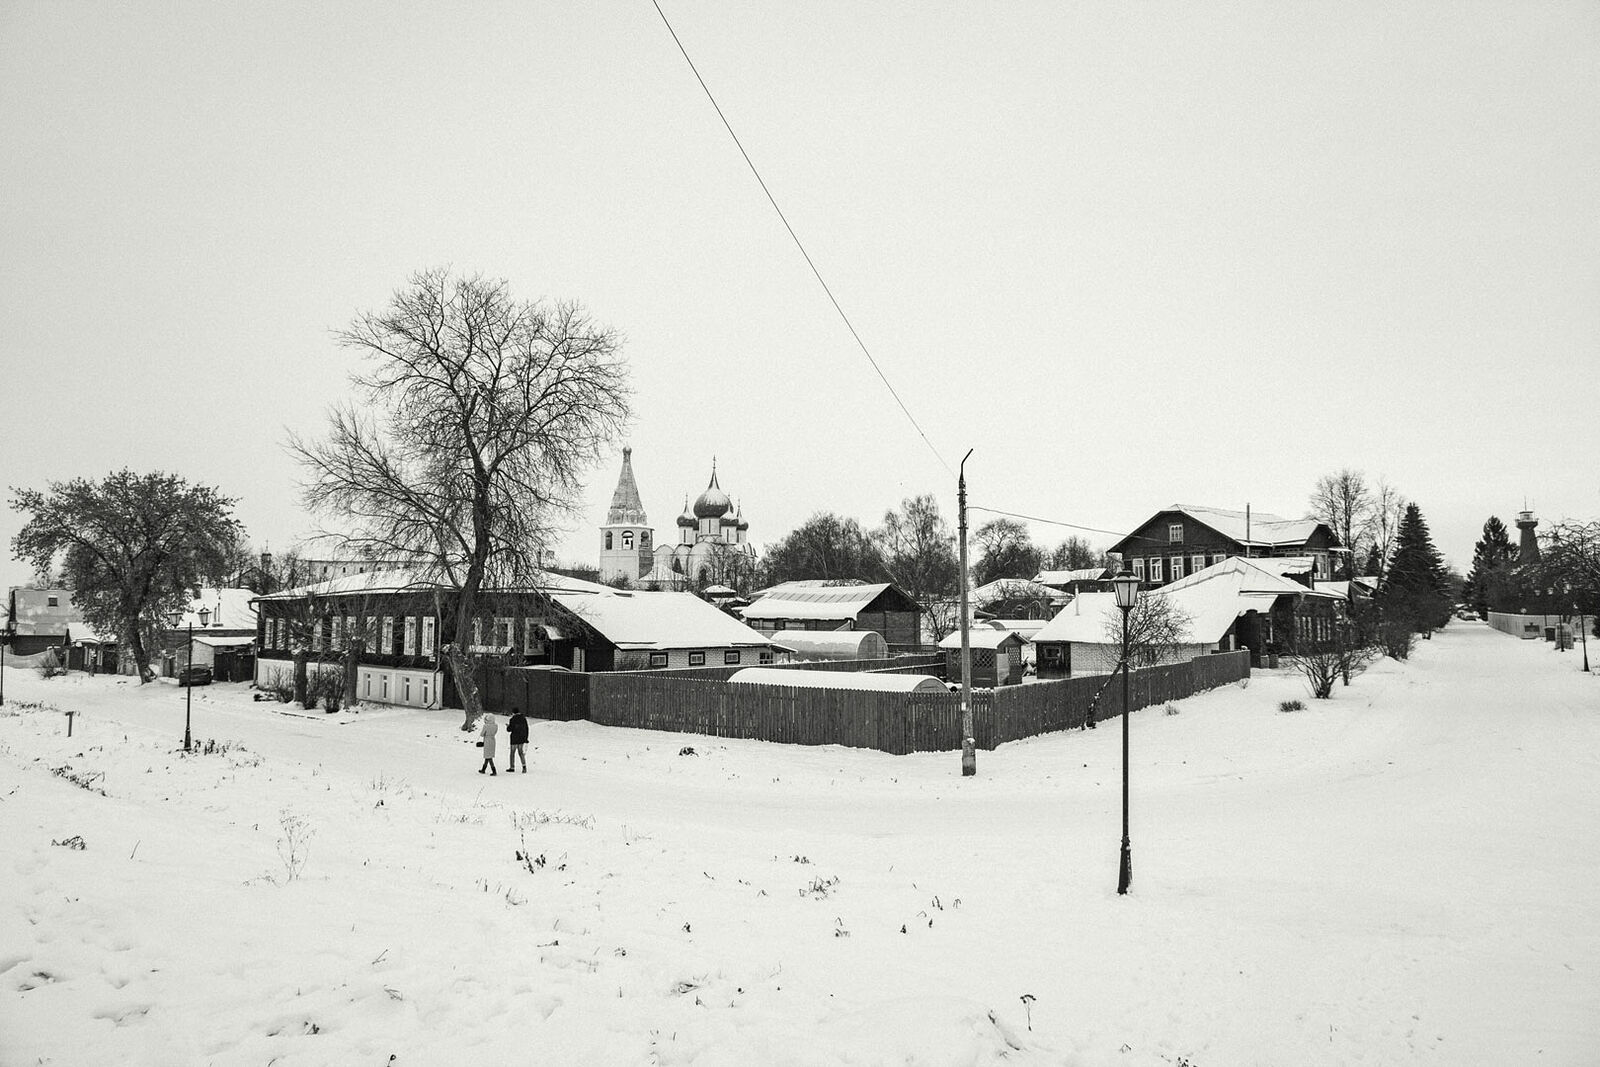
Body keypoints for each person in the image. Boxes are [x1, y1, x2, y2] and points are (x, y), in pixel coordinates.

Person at [506, 708, 529, 773]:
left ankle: (512, 767)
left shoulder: (512, 719)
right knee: (521, 753)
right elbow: (526, 728)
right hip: (521, 738)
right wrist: (526, 738)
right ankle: (524, 767)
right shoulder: (523, 719)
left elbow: (509, 729)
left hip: (514, 738)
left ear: (513, 713)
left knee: (512, 753)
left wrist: (508, 726)